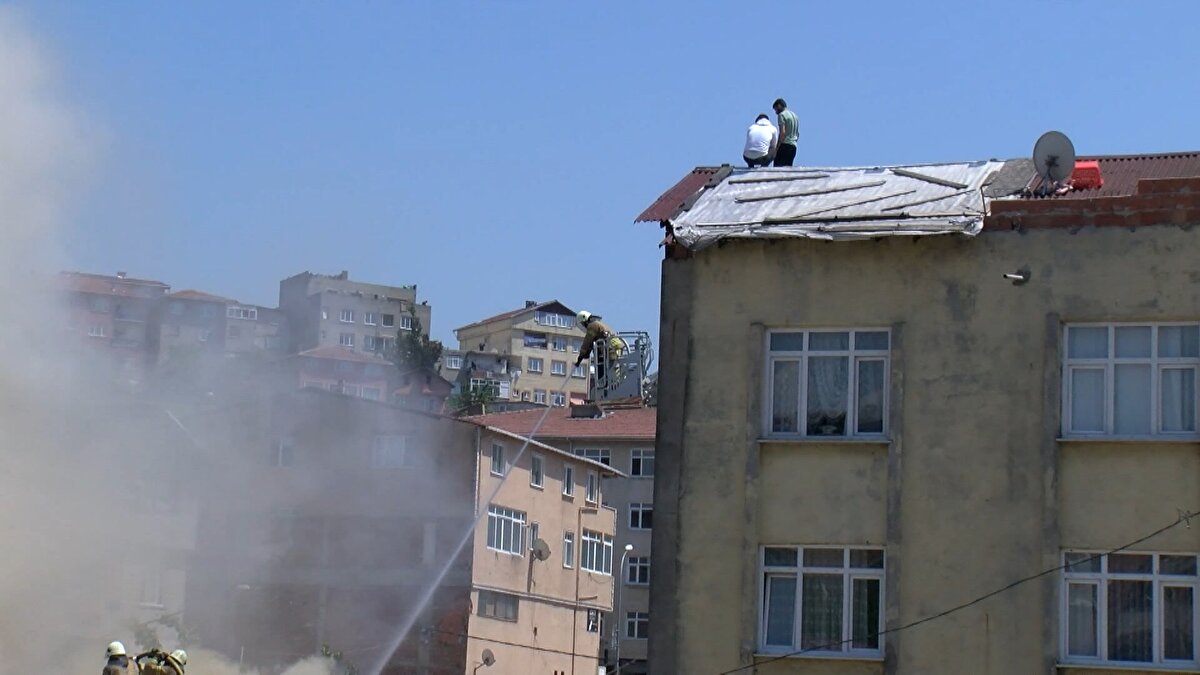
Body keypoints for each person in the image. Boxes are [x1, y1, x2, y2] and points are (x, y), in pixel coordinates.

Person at [575, 311, 623, 386]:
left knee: (610, 367)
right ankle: (614, 382)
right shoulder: (599, 324)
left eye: (582, 324)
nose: (583, 326)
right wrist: (587, 353)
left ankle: (610, 384)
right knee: (614, 367)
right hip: (617, 346)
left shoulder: (592, 326)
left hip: (611, 348)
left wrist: (580, 357)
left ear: (584, 320)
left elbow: (587, 342)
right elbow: (591, 343)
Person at [772, 98, 799, 167]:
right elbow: (798, 133)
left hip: (784, 146)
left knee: (777, 170)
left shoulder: (782, 115)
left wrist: (777, 148)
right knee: (788, 170)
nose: (776, 112)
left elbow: (782, 132)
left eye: (776, 109)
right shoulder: (795, 116)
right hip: (793, 146)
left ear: (779, 106)